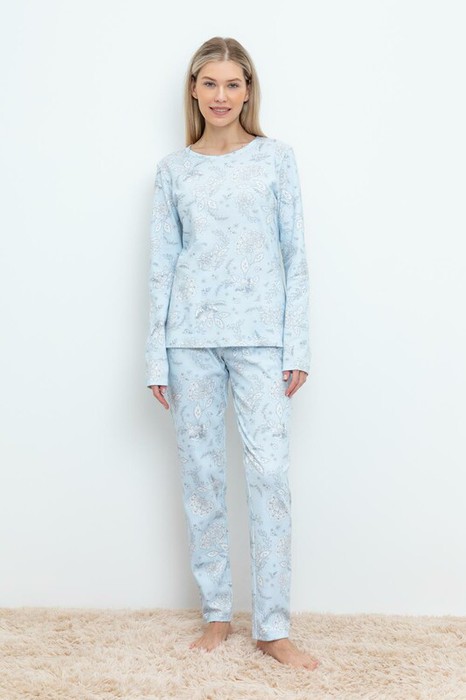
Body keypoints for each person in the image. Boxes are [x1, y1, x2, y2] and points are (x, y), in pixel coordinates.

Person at [145, 36, 320, 671]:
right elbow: (162, 266)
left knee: (269, 474)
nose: (221, 95)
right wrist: (156, 355)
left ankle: (273, 626)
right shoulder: (173, 171)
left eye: (232, 84)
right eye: (210, 83)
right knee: (202, 477)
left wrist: (297, 343)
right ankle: (217, 613)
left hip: (262, 339)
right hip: (188, 340)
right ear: (194, 90)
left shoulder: (276, 159)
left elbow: (295, 257)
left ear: (248, 92)